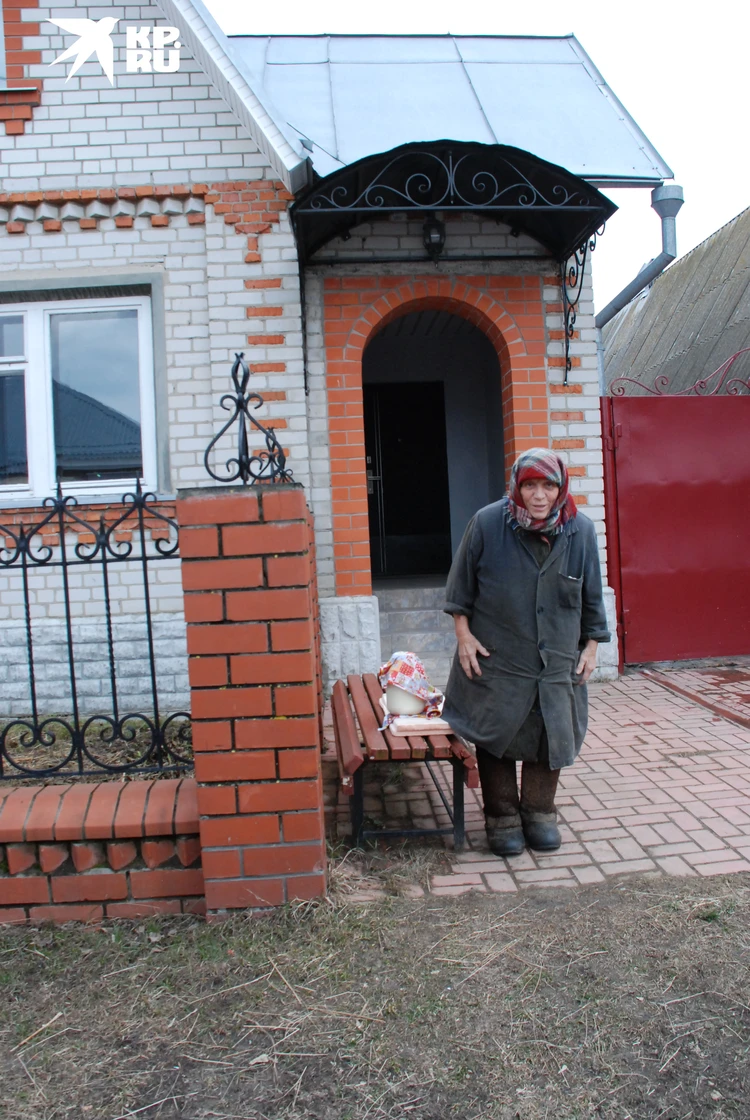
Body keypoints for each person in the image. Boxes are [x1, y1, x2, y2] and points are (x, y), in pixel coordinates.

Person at [442, 447, 610, 857]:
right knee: (495, 734)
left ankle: (540, 813)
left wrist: (591, 646)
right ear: (516, 487)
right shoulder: (486, 523)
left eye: (547, 485)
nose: (538, 495)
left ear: (560, 487)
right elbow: (459, 589)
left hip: (555, 658)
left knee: (551, 732)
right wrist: (463, 635)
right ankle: (501, 817)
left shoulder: (581, 530)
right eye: (529, 485)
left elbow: (591, 596)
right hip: (498, 655)